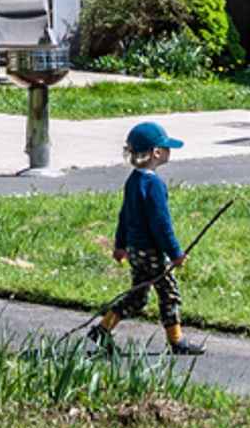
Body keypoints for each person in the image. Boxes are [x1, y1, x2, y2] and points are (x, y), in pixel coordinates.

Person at [87, 121, 207, 355]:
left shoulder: (133, 180)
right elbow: (161, 224)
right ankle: (177, 342)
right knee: (169, 292)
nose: (169, 151)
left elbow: (124, 216)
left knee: (138, 296)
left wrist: (120, 245)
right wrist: (175, 253)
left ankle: (103, 329)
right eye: (167, 147)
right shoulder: (153, 185)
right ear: (156, 153)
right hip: (151, 251)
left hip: (135, 250)